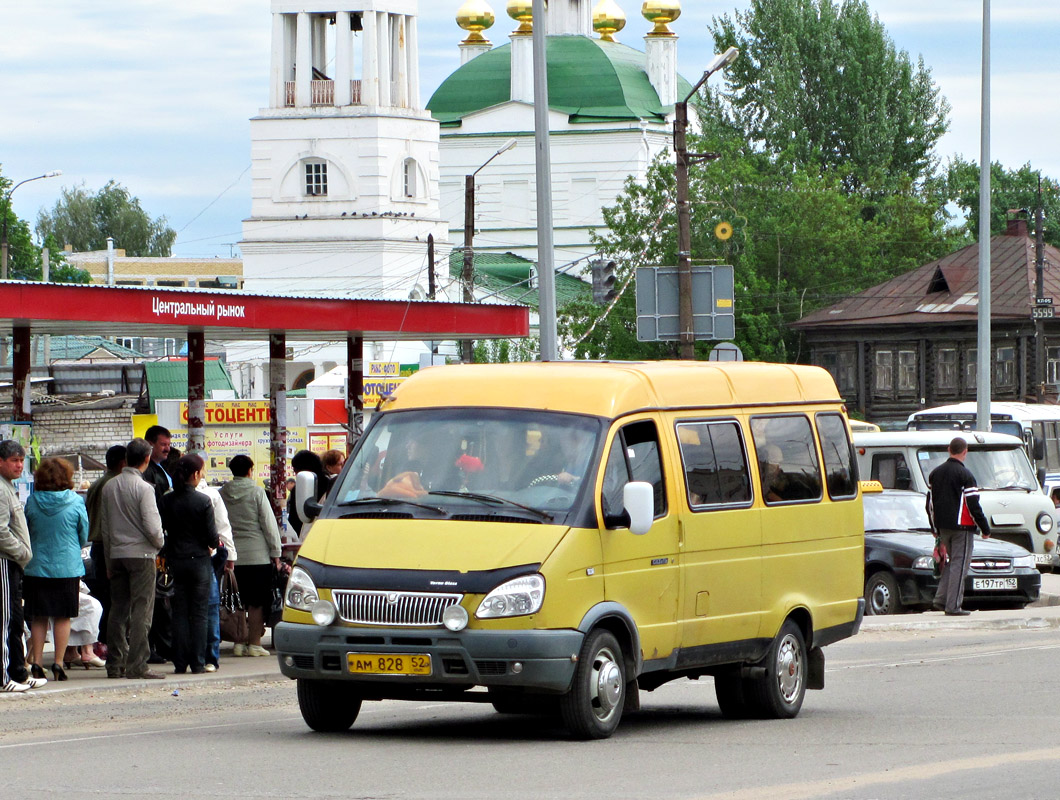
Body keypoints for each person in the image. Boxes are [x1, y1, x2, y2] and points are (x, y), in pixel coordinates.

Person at [100, 437, 166, 680]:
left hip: (116, 554)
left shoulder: (110, 486)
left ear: (126, 458)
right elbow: (152, 526)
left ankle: (114, 663)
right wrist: (160, 543)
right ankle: (137, 664)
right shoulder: (144, 488)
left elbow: (105, 528)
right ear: (147, 459)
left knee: (118, 609)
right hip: (142, 554)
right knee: (142, 610)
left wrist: (108, 560)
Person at [23, 458, 90, 682]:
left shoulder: (32, 501)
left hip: (37, 566)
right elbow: (83, 533)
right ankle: (59, 663)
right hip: (67, 566)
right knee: (63, 617)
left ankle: (37, 663)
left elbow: (27, 530)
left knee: (39, 617)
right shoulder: (76, 501)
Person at [160, 454, 219, 675]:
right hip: (199, 561)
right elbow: (213, 538)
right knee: (200, 613)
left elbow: (162, 530)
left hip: (176, 559)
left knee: (179, 612)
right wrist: (210, 545)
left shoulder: (167, 500)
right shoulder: (203, 501)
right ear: (195, 475)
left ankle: (179, 662)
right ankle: (197, 662)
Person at [220, 455, 282, 657]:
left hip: (232, 556)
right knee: (256, 602)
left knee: (237, 599)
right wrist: (276, 553)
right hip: (257, 556)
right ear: (250, 471)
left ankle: (238, 641)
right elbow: (269, 525)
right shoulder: (257, 492)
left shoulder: (221, 493)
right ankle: (254, 643)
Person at [928, 436, 991, 616]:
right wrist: (985, 528)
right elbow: (973, 505)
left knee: (950, 564)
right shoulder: (966, 475)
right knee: (960, 564)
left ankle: (941, 599)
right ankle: (953, 606)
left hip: (942, 527)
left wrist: (935, 528)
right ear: (965, 452)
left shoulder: (935, 473)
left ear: (949, 449)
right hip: (961, 527)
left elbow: (929, 503)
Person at [0, 440, 39, 692]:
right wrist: (22, 552)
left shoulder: (8, 487)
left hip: (14, 563)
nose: (19, 465)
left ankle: (18, 671)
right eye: (14, 460)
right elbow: (1, 531)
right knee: (5, 620)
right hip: (5, 561)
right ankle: (4, 678)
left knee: (15, 619)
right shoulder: (1, 490)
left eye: (21, 460)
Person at [195, 463, 236, 673]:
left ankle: (190, 656)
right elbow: (222, 527)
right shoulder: (211, 495)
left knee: (185, 608)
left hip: (181, 559)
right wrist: (230, 554)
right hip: (208, 555)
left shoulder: (170, 495)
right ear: (200, 472)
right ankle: (211, 656)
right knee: (211, 605)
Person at [84, 444, 126, 650]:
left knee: (101, 596)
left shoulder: (96, 484)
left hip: (97, 545)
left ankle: (101, 641)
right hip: (109, 545)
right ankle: (108, 642)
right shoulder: (115, 484)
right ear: (123, 463)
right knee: (112, 598)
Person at [143, 425, 173, 665]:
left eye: (168, 444)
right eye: (163, 444)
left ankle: (162, 644)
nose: (167, 448)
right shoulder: (148, 475)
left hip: (161, 541)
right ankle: (155, 645)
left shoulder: (160, 469)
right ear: (150, 444)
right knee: (156, 598)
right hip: (155, 544)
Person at [286, 450, 327, 538]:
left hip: (307, 537)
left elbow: (294, 520)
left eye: (295, 470)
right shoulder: (331, 483)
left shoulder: (300, 487)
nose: (295, 474)